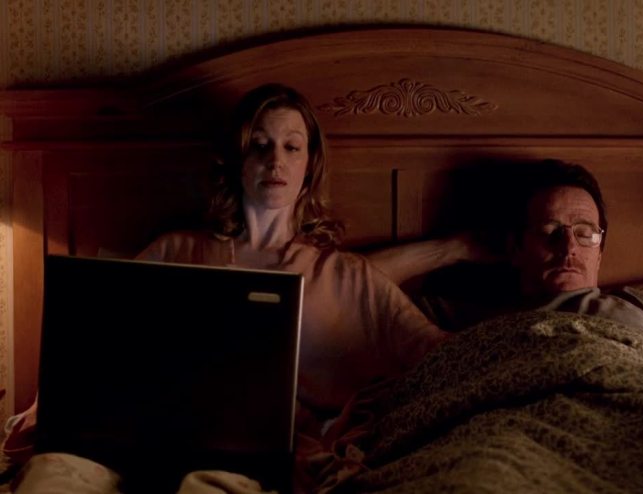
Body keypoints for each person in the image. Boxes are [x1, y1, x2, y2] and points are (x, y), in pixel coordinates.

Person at [9, 83, 447, 493]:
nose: (275, 161)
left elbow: (444, 353)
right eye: (260, 144)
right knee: (49, 474)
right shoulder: (174, 250)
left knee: (209, 486)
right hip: (142, 438)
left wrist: (455, 249)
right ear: (237, 158)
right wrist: (48, 410)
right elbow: (97, 348)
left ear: (310, 164)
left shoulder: (346, 276)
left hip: (248, 458)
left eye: (291, 146)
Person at [367, 159, 643, 379]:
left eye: (585, 233)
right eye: (550, 231)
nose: (569, 247)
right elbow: (350, 283)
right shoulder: (461, 315)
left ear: (600, 252)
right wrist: (452, 249)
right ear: (516, 247)